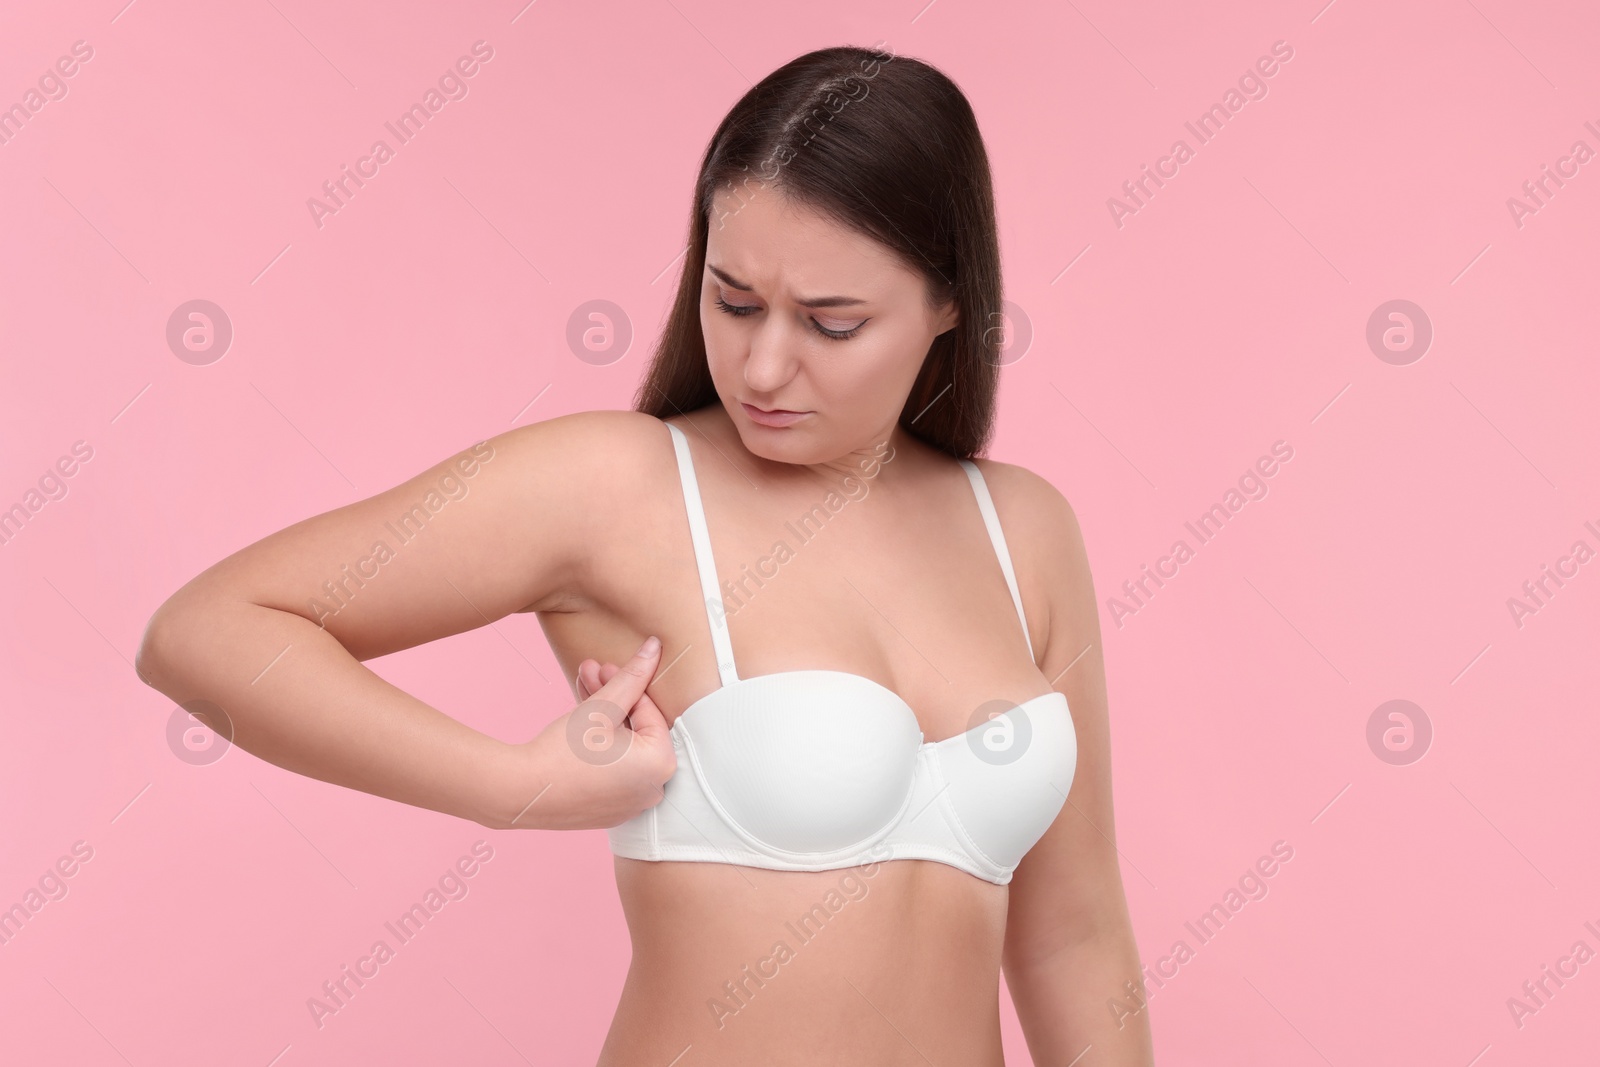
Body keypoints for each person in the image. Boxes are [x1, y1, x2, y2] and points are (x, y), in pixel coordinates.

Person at [136, 43, 1152, 1066]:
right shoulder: (618, 485)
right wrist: (509, 783)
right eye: (734, 299)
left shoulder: (1021, 529)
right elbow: (204, 632)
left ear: (947, 304)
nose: (761, 365)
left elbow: (1072, 935)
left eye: (831, 323)